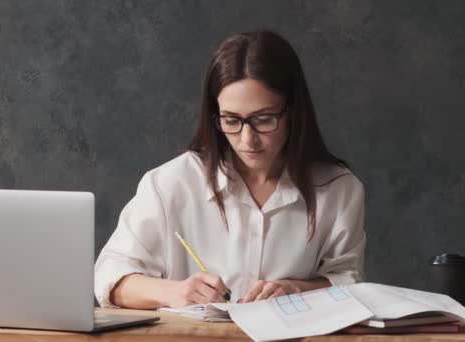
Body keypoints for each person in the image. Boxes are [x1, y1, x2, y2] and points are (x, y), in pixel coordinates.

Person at [94, 30, 366, 309]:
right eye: (231, 120)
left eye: (263, 119)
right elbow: (109, 278)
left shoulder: (339, 190)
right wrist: (173, 292)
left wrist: (296, 289)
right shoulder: (171, 184)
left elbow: (349, 283)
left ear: (293, 111)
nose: (247, 139)